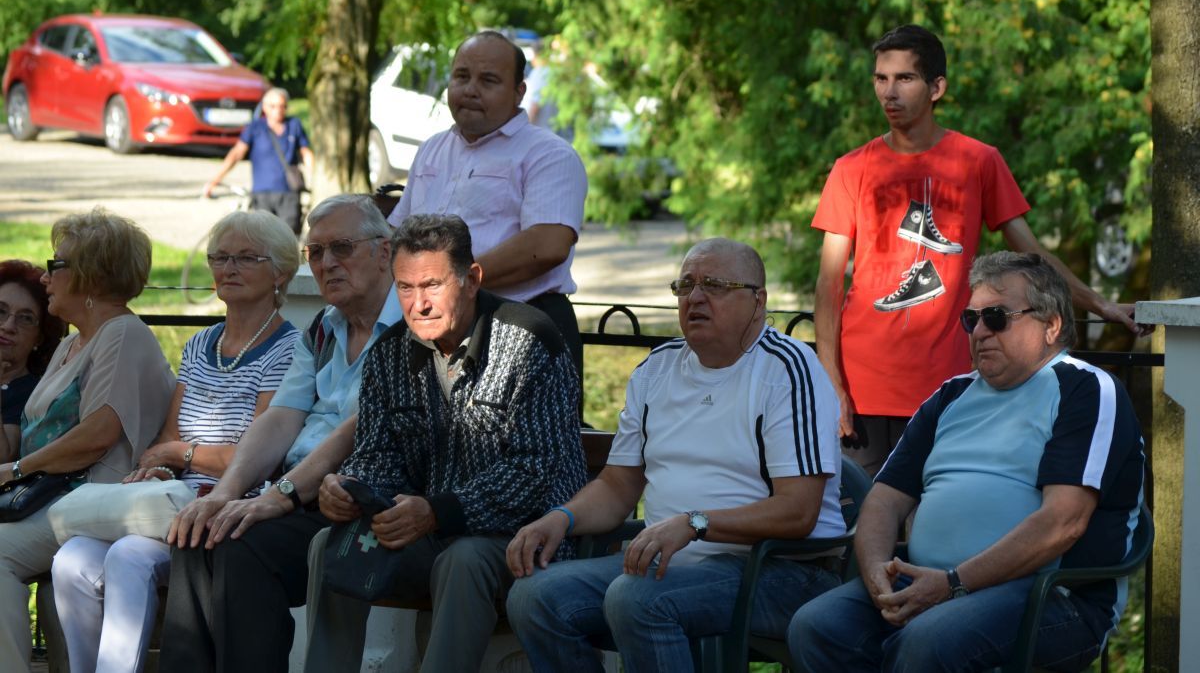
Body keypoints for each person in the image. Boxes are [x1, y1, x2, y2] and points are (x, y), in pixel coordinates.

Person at [788, 251, 1145, 673]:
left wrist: (953, 584)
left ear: (1051, 326)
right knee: (817, 627)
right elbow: (883, 500)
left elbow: (1063, 523)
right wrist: (876, 575)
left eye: (996, 317)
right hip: (930, 583)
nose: (980, 331)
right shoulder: (952, 396)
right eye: (971, 319)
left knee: (927, 643)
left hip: (1051, 595)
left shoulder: (1085, 390)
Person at [812, 23, 1145, 473]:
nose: (889, 92)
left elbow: (1034, 258)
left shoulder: (978, 161)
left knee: (939, 510)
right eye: (881, 78)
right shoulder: (851, 168)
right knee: (860, 513)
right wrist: (830, 383)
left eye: (904, 78)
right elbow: (829, 284)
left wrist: (1102, 305)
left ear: (937, 87)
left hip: (947, 383)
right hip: (861, 386)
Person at [505, 238, 845, 673]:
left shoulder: (787, 369)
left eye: (715, 285)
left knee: (637, 598)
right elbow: (618, 485)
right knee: (534, 598)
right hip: (665, 567)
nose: (695, 297)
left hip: (779, 571)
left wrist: (694, 523)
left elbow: (799, 512)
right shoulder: (658, 368)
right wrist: (561, 519)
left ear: (758, 301)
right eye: (685, 286)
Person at [302, 213, 586, 672]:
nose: (419, 304)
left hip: (527, 538)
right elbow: (377, 456)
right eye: (405, 288)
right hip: (430, 534)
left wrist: (439, 511)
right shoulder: (389, 354)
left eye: (432, 285)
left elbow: (533, 472)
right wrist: (349, 488)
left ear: (471, 279)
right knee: (329, 543)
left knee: (464, 559)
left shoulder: (530, 340)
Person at [157, 194, 400, 673]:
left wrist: (281, 496)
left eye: (343, 248)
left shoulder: (410, 326)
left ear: (384, 252)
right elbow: (280, 417)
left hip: (358, 501)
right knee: (196, 531)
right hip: (300, 494)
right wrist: (223, 494)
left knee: (240, 546)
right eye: (316, 251)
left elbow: (356, 430)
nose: (327, 263)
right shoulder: (324, 327)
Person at [50, 210, 302, 673]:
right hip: (169, 502)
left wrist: (178, 455)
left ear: (280, 273)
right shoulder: (200, 345)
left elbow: (258, 457)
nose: (228, 268)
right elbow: (168, 436)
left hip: (231, 508)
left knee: (128, 556)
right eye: (219, 257)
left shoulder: (291, 349)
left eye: (246, 257)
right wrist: (161, 467)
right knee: (72, 559)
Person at [0, 209, 176, 671]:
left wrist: (16, 469)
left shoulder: (123, 333)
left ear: (91, 276)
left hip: (93, 497)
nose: (45, 277)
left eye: (55, 265)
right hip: (55, 500)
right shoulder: (71, 343)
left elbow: (98, 435)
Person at [386, 30, 589, 387]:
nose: (470, 89)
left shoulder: (549, 153)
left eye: (488, 80)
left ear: (519, 92)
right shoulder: (432, 149)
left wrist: (455, 282)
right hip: (433, 326)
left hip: (523, 326)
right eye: (461, 76)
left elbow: (548, 244)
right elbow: (396, 234)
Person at [203, 87, 314, 234]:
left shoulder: (294, 125)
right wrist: (215, 181)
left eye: (282, 106)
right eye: (273, 106)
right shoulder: (255, 127)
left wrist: (314, 179)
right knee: (263, 239)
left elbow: (306, 153)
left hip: (289, 193)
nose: (278, 110)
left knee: (289, 237)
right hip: (262, 194)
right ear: (265, 108)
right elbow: (236, 154)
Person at [0, 259, 67, 460]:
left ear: (40, 337)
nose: (8, 326)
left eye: (26, 318)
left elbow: (3, 457)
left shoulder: (32, 394)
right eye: (0, 311)